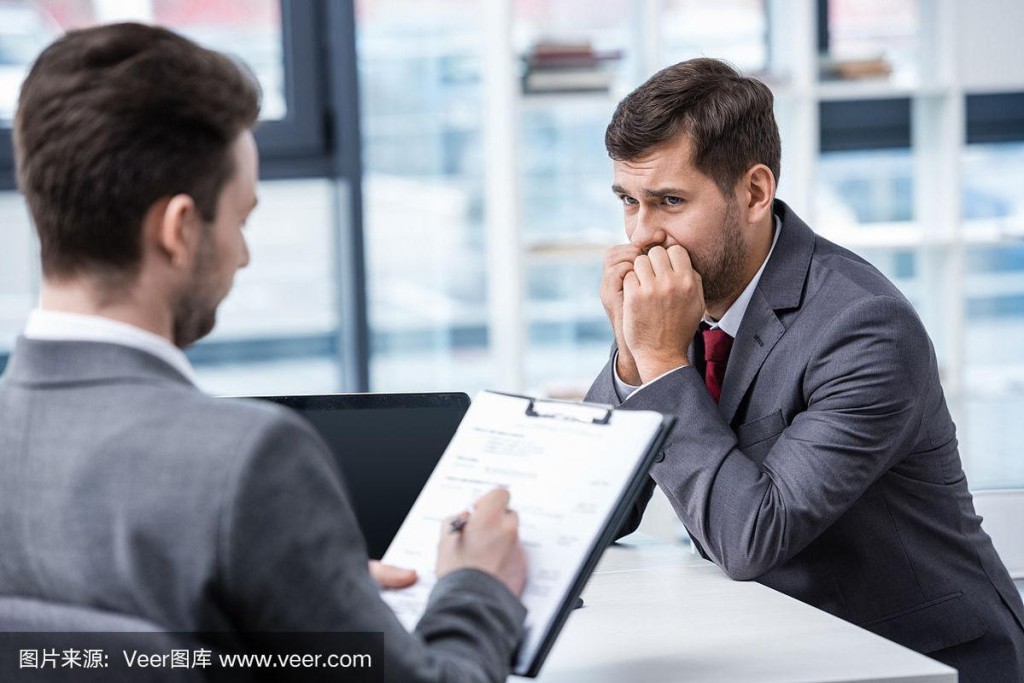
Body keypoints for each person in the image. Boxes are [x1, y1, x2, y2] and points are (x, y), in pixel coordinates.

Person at [0, 23, 526, 682]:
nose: (243, 255)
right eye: (240, 219)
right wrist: (477, 589)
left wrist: (299, 585)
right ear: (180, 230)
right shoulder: (245, 461)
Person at [585, 57, 1024, 682]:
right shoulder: (687, 307)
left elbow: (749, 538)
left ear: (755, 193)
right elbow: (596, 511)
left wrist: (656, 361)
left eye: (670, 201)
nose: (642, 235)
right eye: (628, 201)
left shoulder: (865, 328)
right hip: (788, 643)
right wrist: (632, 351)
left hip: (924, 661)